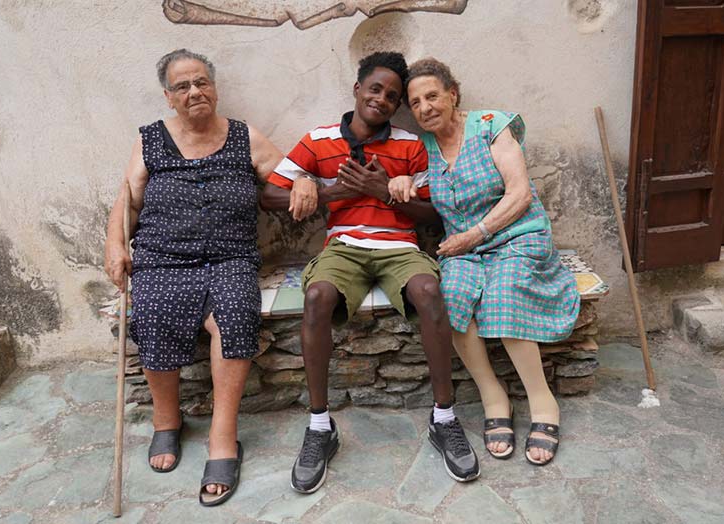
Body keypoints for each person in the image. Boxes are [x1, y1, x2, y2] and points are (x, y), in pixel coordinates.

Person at [261, 51, 480, 493]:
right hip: (344, 247)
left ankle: (444, 417)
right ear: (358, 89)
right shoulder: (319, 140)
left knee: (429, 290)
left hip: (399, 247)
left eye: (393, 96)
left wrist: (387, 192)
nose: (381, 99)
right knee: (317, 296)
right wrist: (324, 191)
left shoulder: (410, 145)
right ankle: (320, 427)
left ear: (398, 106)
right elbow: (268, 195)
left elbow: (433, 214)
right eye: (375, 89)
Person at [103, 49, 290, 506]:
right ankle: (167, 420)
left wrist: (303, 181)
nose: (195, 92)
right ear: (169, 97)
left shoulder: (243, 136)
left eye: (202, 82)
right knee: (151, 311)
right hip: (162, 258)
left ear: (215, 88)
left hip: (230, 258)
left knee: (235, 316)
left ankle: (223, 437)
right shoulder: (150, 139)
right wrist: (114, 245)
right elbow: (128, 201)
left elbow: (287, 174)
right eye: (183, 86)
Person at [390, 57, 580, 466]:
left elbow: (520, 193)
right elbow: (407, 179)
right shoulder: (421, 148)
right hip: (464, 250)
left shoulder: (492, 126)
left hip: (516, 235)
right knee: (451, 300)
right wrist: (403, 180)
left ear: (453, 94)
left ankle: (542, 401)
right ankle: (494, 396)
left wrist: (476, 234)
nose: (425, 107)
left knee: (503, 295)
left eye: (432, 96)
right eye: (416, 102)